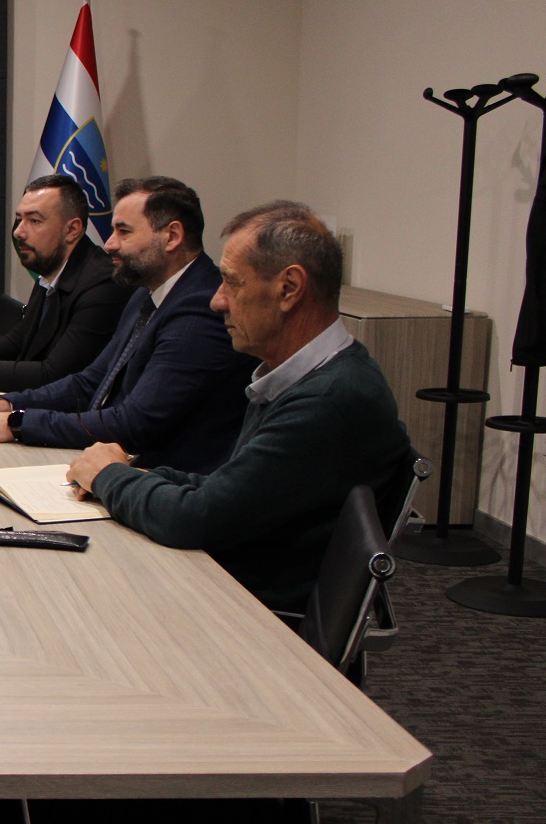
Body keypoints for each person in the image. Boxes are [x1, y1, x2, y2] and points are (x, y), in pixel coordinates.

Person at [66, 202, 411, 612]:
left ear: (289, 288)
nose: (217, 301)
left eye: (232, 283)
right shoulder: (307, 376)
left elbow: (197, 517)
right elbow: (228, 485)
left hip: (250, 614)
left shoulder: (328, 400)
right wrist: (133, 473)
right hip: (232, 583)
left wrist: (108, 475)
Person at [0, 176, 255, 475]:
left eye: (124, 232)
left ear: (172, 236)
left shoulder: (200, 309)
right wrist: (8, 405)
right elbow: (90, 381)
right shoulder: (145, 294)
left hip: (166, 480)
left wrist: (18, 423)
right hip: (120, 464)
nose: (109, 244)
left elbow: (133, 423)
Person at [0, 174, 129, 393]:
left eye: (34, 221)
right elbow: (20, 339)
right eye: (19, 219)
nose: (18, 232)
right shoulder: (52, 268)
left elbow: (54, 375)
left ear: (72, 230)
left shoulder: (103, 284)